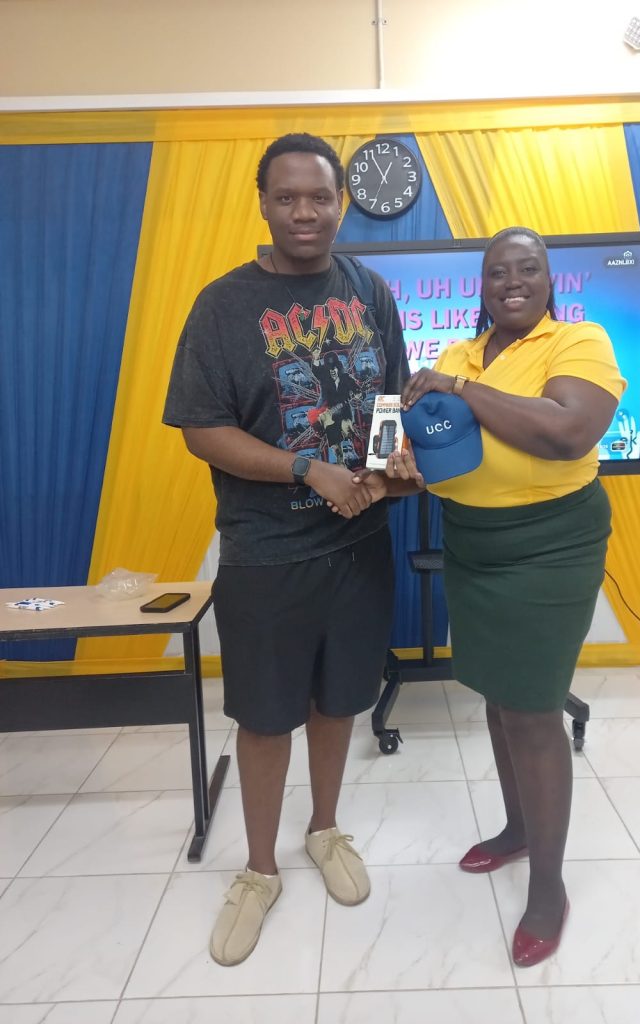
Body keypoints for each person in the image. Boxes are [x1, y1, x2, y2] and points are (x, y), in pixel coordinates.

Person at [162, 132, 409, 966]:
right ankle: (259, 869)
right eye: (288, 197)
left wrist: (385, 470)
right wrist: (307, 467)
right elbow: (202, 429)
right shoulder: (222, 306)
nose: (306, 211)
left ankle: (324, 829)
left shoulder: (369, 290)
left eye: (320, 197)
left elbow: (387, 402)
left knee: (339, 703)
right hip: (266, 553)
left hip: (360, 546)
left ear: (342, 203)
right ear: (264, 205)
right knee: (266, 720)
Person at [380, 226, 625, 967]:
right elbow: (437, 456)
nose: (513, 281)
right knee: (495, 693)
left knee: (532, 709)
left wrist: (459, 391)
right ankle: (518, 831)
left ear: (550, 282)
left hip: (551, 546)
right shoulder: (458, 353)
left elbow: (568, 433)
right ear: (481, 286)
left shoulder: (578, 343)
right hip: (473, 545)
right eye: (497, 272)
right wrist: (400, 466)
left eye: (528, 269)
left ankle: (548, 888)